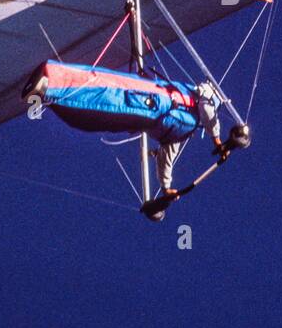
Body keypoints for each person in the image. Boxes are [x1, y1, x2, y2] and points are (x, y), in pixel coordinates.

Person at [22, 61, 230, 216]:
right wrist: (217, 140)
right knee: (109, 94)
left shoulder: (186, 129)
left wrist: (166, 187)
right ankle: (53, 80)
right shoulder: (205, 98)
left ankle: (46, 94)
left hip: (142, 119)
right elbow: (207, 109)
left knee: (90, 120)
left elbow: (167, 157)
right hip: (155, 99)